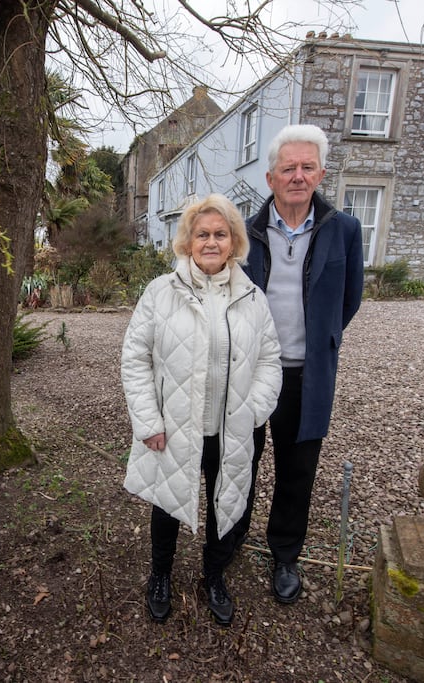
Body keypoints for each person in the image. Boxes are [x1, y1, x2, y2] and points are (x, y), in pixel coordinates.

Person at [121, 193, 282, 626]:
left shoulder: (253, 298)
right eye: (202, 234)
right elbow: (135, 359)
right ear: (187, 241)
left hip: (230, 428)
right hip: (174, 427)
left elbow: (269, 360)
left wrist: (254, 412)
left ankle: (214, 576)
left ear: (234, 242)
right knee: (167, 502)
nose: (211, 242)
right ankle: (160, 575)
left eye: (220, 234)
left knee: (223, 500)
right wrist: (148, 421)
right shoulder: (160, 293)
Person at [238, 123, 364, 605]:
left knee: (297, 471)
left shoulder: (345, 230)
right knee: (239, 462)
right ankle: (230, 538)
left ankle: (285, 554)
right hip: (249, 372)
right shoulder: (245, 231)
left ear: (321, 174)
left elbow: (348, 300)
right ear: (270, 177)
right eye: (288, 167)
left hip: (307, 377)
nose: (297, 175)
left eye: (307, 167)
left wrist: (321, 340)